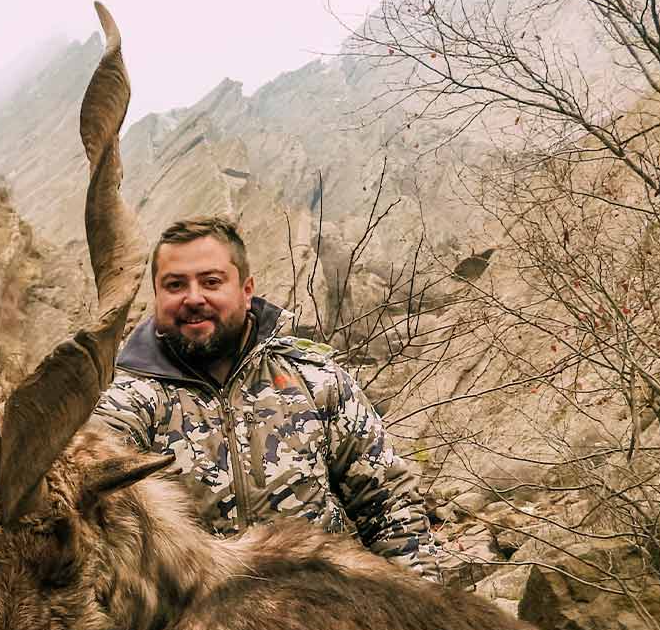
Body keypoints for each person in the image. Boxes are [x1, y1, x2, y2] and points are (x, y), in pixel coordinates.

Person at [93, 216, 441, 581]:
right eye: (175, 285)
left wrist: (421, 612)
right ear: (157, 296)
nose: (193, 298)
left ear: (246, 290)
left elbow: (390, 507)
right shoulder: (123, 407)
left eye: (211, 282)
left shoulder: (316, 381)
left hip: (326, 616)